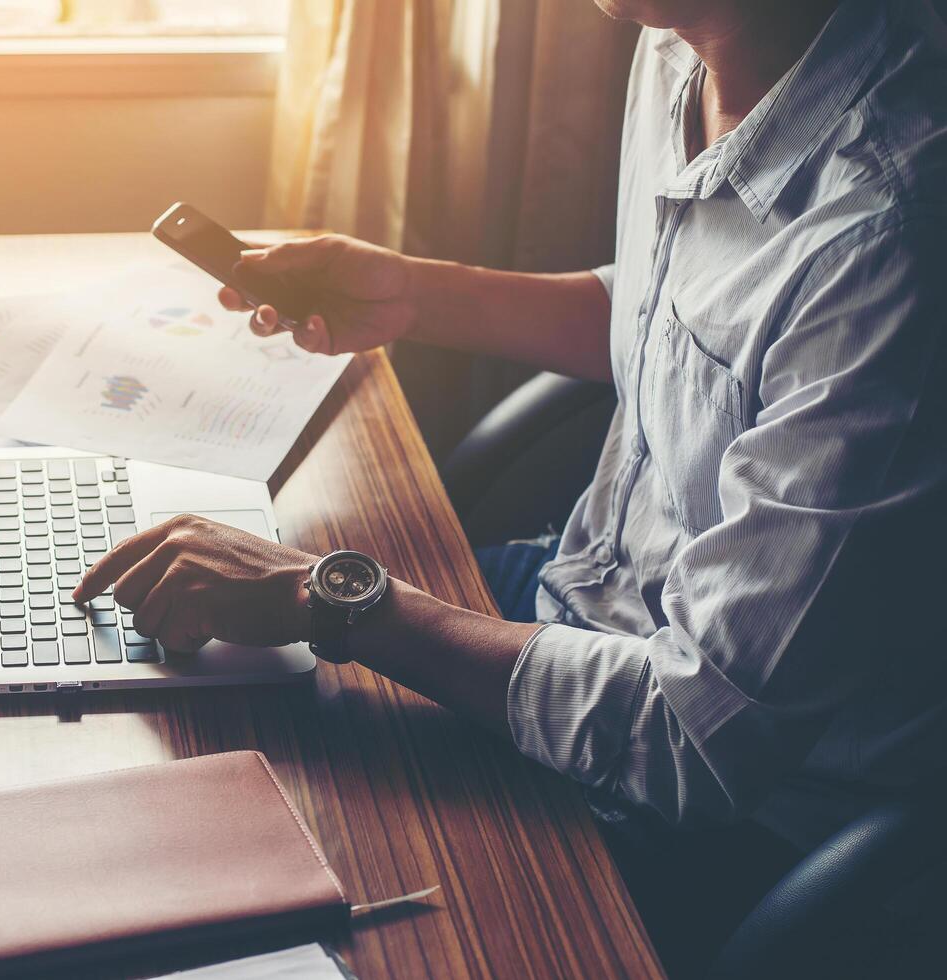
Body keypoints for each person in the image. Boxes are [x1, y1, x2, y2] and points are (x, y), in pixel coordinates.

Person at [75, 0, 946, 970]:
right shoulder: (677, 44)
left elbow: (696, 739)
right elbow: (682, 314)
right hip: (576, 608)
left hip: (730, 813)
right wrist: (407, 291)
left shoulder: (892, 228)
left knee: (245, 906)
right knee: (177, 732)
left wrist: (322, 593)